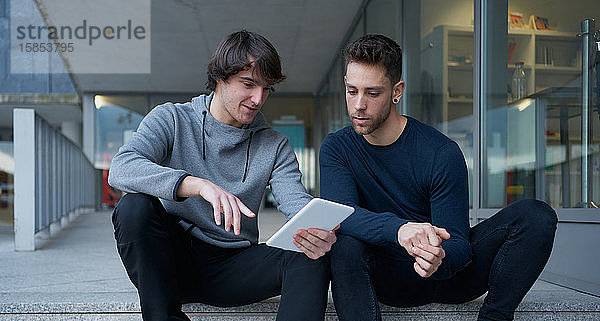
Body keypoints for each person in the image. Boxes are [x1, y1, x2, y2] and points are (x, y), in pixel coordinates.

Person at [319, 34, 558, 321]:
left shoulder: (440, 152)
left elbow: (458, 242)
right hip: (384, 277)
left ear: (397, 91)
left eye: (372, 93)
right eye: (351, 91)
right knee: (344, 244)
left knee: (536, 215)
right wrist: (400, 229)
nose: (358, 105)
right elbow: (342, 215)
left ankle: (494, 317)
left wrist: (439, 257)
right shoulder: (337, 148)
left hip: (448, 275)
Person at [109, 30, 336, 321]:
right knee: (133, 206)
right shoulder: (172, 118)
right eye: (248, 84)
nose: (258, 98)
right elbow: (122, 167)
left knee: (309, 252)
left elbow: (296, 204)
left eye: (266, 89)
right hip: (168, 263)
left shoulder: (274, 145)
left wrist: (317, 230)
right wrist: (196, 185)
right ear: (220, 78)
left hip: (233, 267)